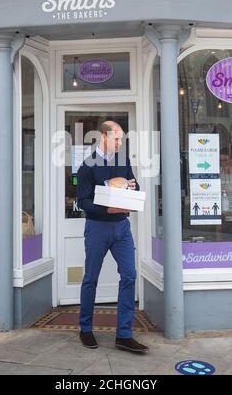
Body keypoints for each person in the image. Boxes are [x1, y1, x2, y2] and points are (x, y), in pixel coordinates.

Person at [76, 120, 149, 353]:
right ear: (104, 137)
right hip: (97, 228)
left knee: (129, 275)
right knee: (91, 278)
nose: (120, 143)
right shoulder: (87, 166)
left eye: (121, 139)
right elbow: (82, 201)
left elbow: (133, 186)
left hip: (122, 228)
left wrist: (131, 190)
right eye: (117, 139)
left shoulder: (123, 160)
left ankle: (124, 335)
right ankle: (85, 329)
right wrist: (107, 207)